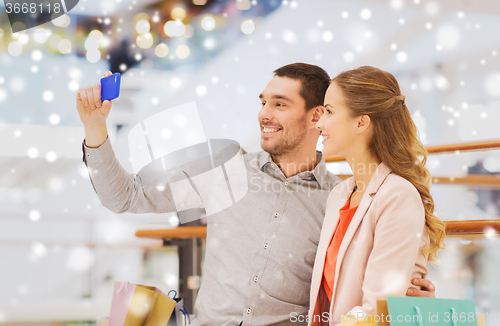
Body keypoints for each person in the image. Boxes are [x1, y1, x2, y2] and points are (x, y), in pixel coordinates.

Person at [76, 63, 436, 326]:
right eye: (263, 102)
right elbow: (125, 197)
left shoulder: (337, 198)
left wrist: (405, 298)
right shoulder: (227, 169)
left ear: (316, 118)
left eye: (280, 104)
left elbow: (355, 281)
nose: (263, 114)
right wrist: (95, 129)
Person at [310, 66, 446, 325]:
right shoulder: (339, 194)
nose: (319, 123)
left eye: (329, 111)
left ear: (361, 122)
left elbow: (377, 311)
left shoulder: (397, 196)